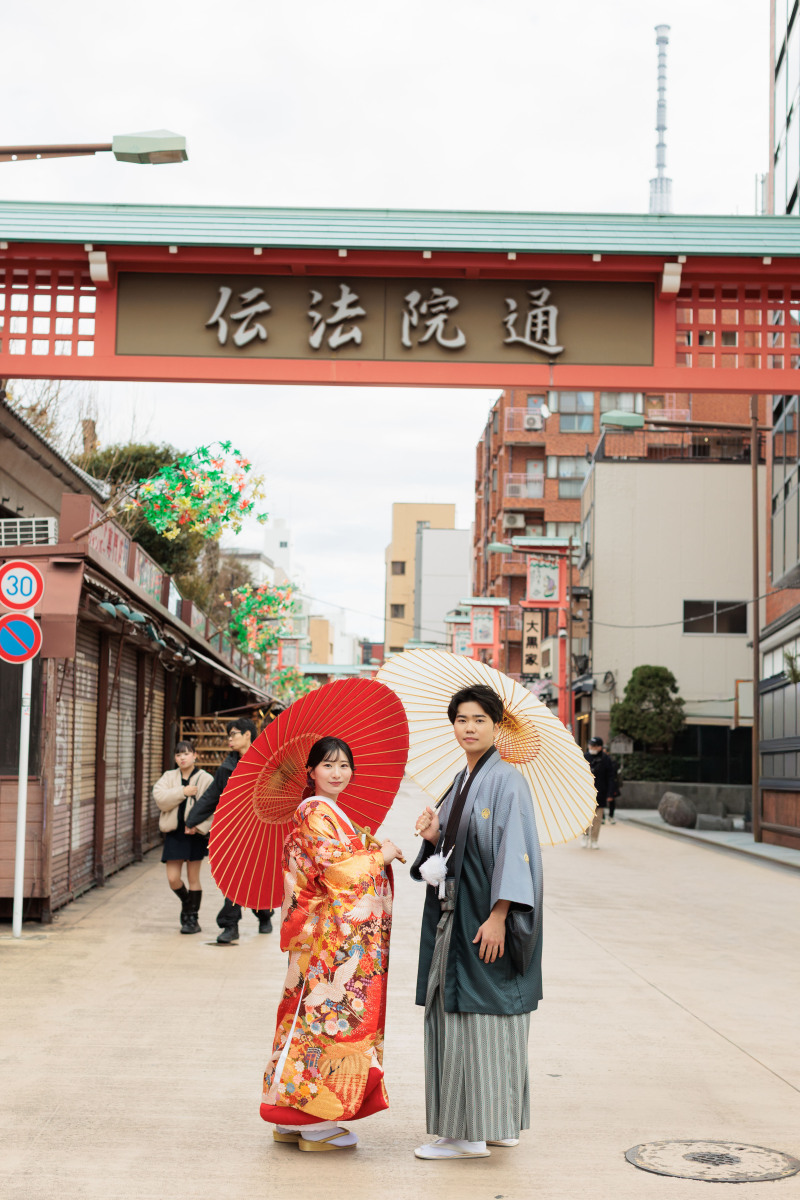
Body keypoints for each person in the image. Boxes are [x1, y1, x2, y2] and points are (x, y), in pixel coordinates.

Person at [412, 684, 543, 1162]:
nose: (469, 727)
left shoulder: (506, 780)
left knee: (473, 1014)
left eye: (479, 719)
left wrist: (499, 916)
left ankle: (465, 1134)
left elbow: (516, 852)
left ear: (496, 725)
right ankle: (496, 1122)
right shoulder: (460, 779)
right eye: (462, 719)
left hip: (482, 918)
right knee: (469, 1012)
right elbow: (450, 852)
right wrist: (432, 836)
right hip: (458, 912)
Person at [261, 736, 403, 1152]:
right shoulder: (315, 812)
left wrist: (367, 846)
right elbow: (340, 871)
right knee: (324, 1020)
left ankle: (288, 1114)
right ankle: (314, 1120)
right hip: (328, 938)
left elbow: (338, 857)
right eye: (328, 765)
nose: (337, 773)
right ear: (311, 771)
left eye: (344, 765)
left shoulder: (326, 811)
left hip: (320, 935)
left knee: (302, 1018)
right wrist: (382, 857)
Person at [185, 717, 274, 943]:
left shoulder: (268, 761)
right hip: (238, 829)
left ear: (247, 734)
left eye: (233, 734)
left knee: (257, 877)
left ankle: (263, 913)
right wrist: (192, 820)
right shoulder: (227, 767)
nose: (229, 739)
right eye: (228, 735)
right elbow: (212, 796)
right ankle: (230, 925)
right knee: (238, 875)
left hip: (263, 829)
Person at [153, 740, 215, 933]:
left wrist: (199, 827)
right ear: (175, 758)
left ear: (195, 755)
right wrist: (183, 792)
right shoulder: (169, 776)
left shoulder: (205, 778)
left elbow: (212, 806)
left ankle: (191, 920)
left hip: (194, 835)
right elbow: (160, 799)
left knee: (193, 878)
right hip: (174, 834)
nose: (182, 758)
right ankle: (187, 905)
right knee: (173, 879)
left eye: (186, 754)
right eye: (179, 755)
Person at [583, 735, 614, 848]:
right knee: (585, 816)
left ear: (600, 747)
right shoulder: (585, 757)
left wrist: (610, 793)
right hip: (585, 792)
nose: (592, 747)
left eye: (595, 746)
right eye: (591, 745)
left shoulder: (606, 759)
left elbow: (611, 777)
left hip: (601, 792)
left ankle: (594, 839)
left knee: (597, 818)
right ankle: (585, 836)